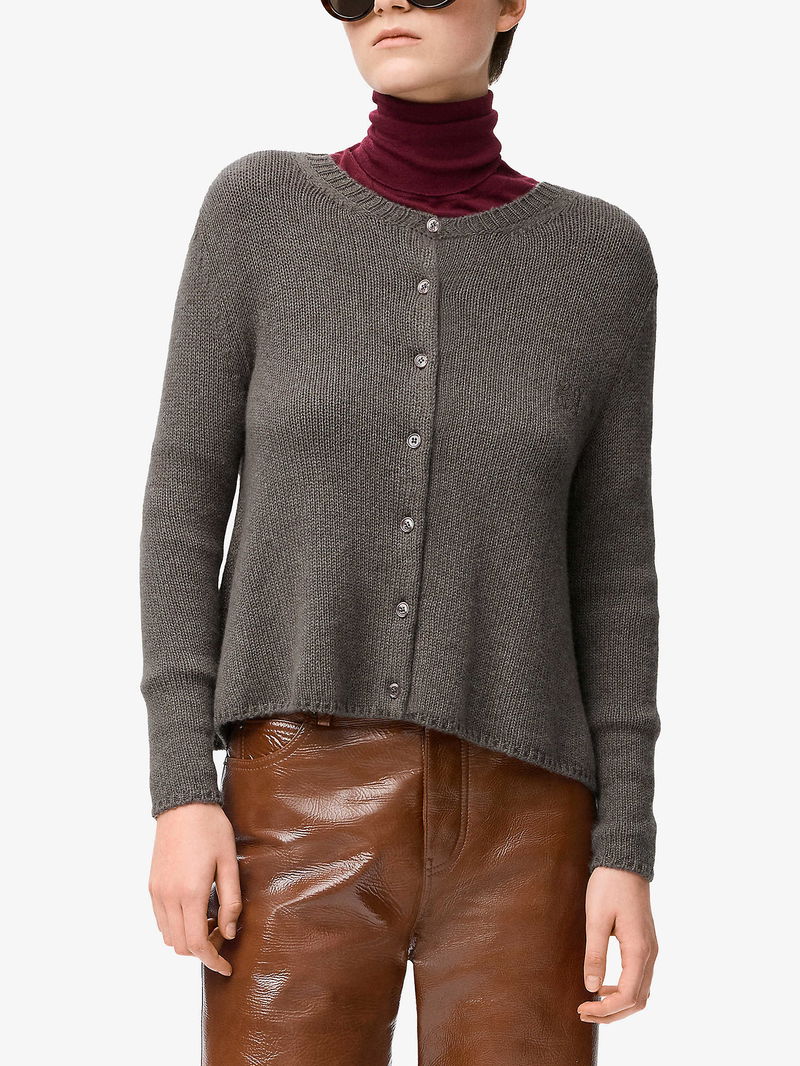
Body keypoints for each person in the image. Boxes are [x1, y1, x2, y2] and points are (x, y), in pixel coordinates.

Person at [139, 1, 661, 1062]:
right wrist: (181, 790)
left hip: (530, 819)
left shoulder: (600, 260)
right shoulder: (258, 212)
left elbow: (613, 571)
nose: (385, 6)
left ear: (509, 4)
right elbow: (182, 510)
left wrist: (625, 846)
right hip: (292, 799)